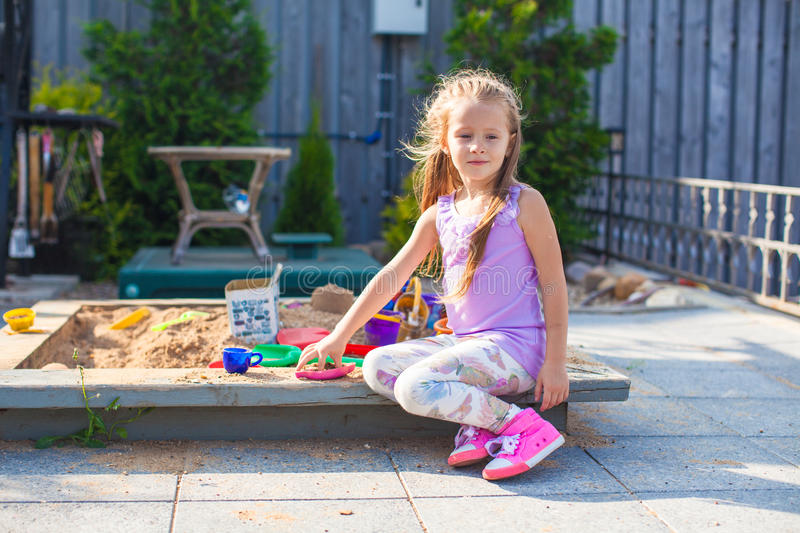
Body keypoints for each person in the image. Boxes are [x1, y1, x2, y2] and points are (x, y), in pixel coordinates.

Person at [296, 69, 569, 481]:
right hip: (467, 344)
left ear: (510, 141)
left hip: (516, 349)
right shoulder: (439, 213)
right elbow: (391, 277)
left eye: (491, 137)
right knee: (378, 366)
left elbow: (554, 284)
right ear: (446, 140)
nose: (477, 147)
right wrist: (338, 337)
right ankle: (481, 424)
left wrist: (555, 362)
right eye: (465, 135)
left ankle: (523, 428)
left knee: (414, 386)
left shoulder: (524, 203)